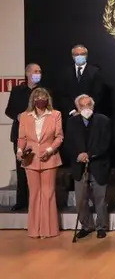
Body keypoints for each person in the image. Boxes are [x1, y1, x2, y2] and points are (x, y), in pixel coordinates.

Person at [16, 88, 63, 238]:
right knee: (35, 194)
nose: (40, 100)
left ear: (47, 99)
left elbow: (59, 137)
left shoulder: (55, 114)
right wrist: (19, 151)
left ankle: (48, 230)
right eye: (38, 97)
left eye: (43, 97)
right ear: (33, 100)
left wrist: (49, 150)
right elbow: (22, 138)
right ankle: (34, 229)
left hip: (49, 158)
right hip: (31, 160)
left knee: (48, 193)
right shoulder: (24, 116)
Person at [65, 94, 111, 239]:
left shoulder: (103, 121)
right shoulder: (72, 122)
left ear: (93, 106)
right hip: (79, 167)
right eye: (82, 106)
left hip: (98, 165)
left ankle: (101, 227)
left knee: (100, 199)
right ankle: (87, 226)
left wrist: (90, 154)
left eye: (88, 105)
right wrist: (78, 155)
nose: (86, 108)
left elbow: (106, 143)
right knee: (80, 200)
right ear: (77, 108)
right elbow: (68, 144)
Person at [4, 63, 44, 212]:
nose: (37, 73)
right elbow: (9, 110)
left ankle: (38, 200)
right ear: (27, 73)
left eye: (39, 71)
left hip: (39, 135)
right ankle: (21, 201)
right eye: (34, 71)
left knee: (38, 168)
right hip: (20, 134)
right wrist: (18, 116)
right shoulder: (17, 90)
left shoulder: (44, 91)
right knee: (22, 168)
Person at [56, 44, 105, 118]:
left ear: (86, 55)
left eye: (82, 54)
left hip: (91, 114)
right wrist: (73, 111)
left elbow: (97, 94)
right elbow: (62, 95)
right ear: (73, 56)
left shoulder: (95, 72)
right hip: (71, 115)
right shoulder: (66, 73)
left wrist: (86, 110)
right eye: (76, 54)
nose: (79, 56)